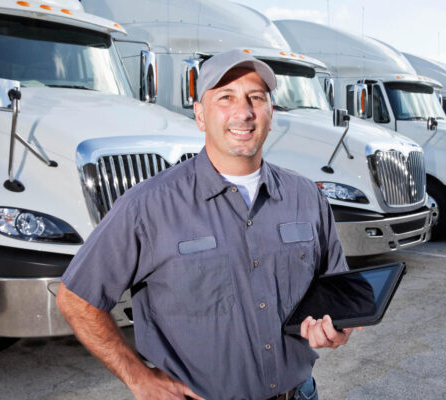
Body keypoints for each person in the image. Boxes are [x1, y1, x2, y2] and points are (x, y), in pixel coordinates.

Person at [56, 49, 358, 400]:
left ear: (271, 114)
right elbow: (77, 298)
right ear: (200, 115)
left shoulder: (306, 197)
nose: (243, 113)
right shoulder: (149, 206)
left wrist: (338, 327)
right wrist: (137, 377)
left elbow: (336, 292)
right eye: (225, 98)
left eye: (255, 98)